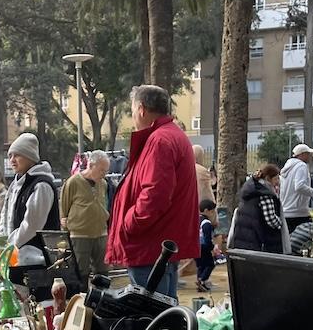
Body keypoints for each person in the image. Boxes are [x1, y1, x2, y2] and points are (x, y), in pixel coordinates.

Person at [105, 85, 200, 298]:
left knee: (152, 318)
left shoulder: (159, 141)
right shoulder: (172, 136)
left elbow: (155, 194)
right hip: (159, 245)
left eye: (132, 111)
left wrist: (129, 222)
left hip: (149, 247)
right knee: (164, 315)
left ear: (141, 109)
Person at [0, 132, 58, 280]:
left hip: (37, 259)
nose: (12, 160)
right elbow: (6, 216)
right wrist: (0, 240)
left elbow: (32, 226)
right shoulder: (16, 183)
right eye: (10, 156)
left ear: (30, 157)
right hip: (18, 257)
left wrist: (10, 244)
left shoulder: (41, 185)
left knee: (38, 301)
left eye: (17, 155)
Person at [60, 149, 110, 280]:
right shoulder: (73, 182)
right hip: (80, 235)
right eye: (102, 170)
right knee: (81, 272)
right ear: (91, 165)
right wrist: (65, 228)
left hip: (101, 233)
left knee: (103, 271)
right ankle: (81, 298)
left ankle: (102, 299)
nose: (104, 174)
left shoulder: (103, 184)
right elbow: (64, 209)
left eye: (106, 171)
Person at [227, 164, 286, 254]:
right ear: (267, 178)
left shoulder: (250, 189)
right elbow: (270, 219)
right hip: (260, 240)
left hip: (244, 237)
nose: (278, 182)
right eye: (276, 178)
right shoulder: (265, 193)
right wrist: (281, 224)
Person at [279, 143, 313, 233]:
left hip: (286, 212)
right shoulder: (301, 166)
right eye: (308, 154)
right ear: (302, 154)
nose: (310, 156)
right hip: (299, 212)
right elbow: (299, 186)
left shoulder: (287, 167)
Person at [196, 198, 219, 291]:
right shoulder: (206, 223)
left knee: (201, 265)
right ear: (206, 210)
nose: (213, 214)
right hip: (204, 247)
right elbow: (207, 238)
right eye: (212, 211)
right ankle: (202, 280)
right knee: (210, 264)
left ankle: (200, 281)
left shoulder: (196, 219)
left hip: (196, 246)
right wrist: (212, 247)